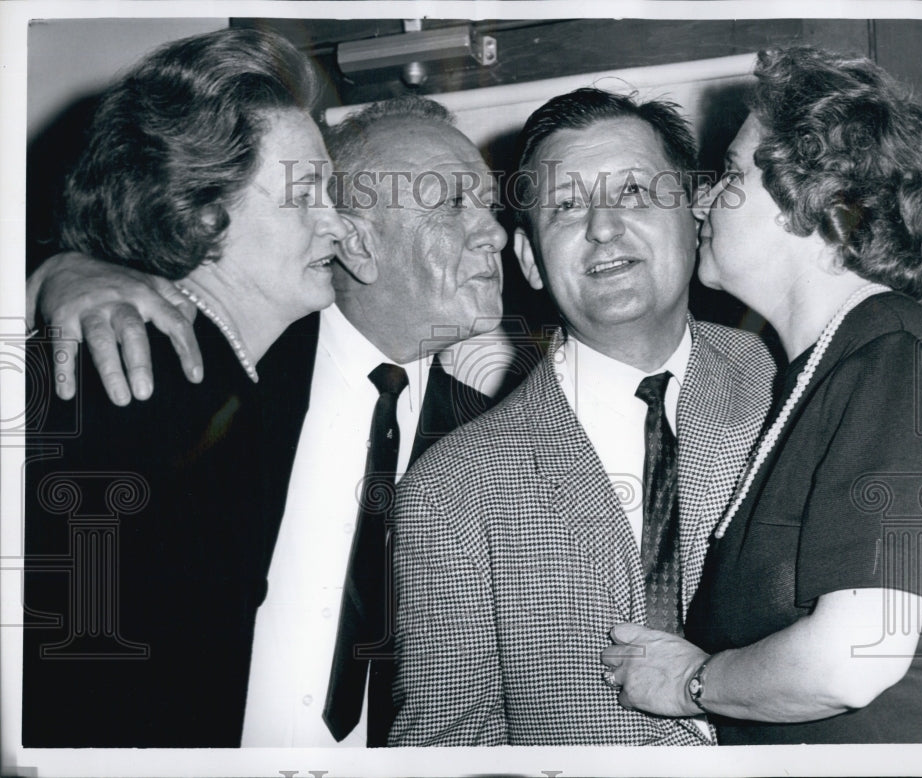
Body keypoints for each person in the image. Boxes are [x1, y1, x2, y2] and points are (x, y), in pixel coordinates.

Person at [26, 94, 508, 746]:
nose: (497, 232)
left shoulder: (486, 431)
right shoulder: (225, 354)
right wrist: (53, 272)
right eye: (453, 203)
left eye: (489, 205)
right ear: (355, 232)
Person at [600, 47, 922, 745]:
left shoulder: (902, 355)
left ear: (821, 206)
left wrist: (690, 683)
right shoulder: (816, 371)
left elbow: (852, 660)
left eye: (733, 175)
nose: (704, 200)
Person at [387, 88, 776, 746]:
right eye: (566, 206)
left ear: (693, 212)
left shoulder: (787, 382)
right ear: (531, 260)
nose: (602, 227)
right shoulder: (449, 489)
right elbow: (446, 750)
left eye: (632, 193)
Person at [23, 28, 356, 747]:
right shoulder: (129, 382)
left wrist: (56, 268)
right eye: (308, 193)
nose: (338, 219)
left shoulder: (228, 376)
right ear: (204, 216)